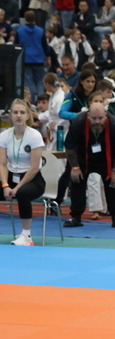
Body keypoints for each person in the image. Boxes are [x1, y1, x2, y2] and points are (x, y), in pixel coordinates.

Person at [63, 102, 115, 229]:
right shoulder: (78, 123)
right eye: (94, 118)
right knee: (76, 183)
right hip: (83, 158)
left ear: (106, 115)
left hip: (108, 159)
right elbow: (70, 147)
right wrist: (75, 167)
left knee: (113, 185)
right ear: (88, 115)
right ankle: (75, 217)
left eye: (100, 118)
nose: (97, 121)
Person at [0, 99, 46, 246]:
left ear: (27, 116)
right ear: (11, 116)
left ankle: (27, 235)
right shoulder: (4, 135)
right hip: (11, 177)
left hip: (32, 179)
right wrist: (5, 185)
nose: (19, 115)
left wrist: (17, 188)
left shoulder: (34, 136)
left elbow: (34, 167)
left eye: (22, 112)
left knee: (22, 193)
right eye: (15, 112)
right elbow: (2, 164)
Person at [15, 11, 48, 102]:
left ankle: (31, 102)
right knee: (40, 82)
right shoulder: (40, 31)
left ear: (25, 18)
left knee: (28, 83)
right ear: (34, 18)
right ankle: (41, 101)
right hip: (39, 60)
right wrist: (47, 56)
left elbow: (16, 46)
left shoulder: (19, 31)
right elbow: (45, 46)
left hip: (26, 60)